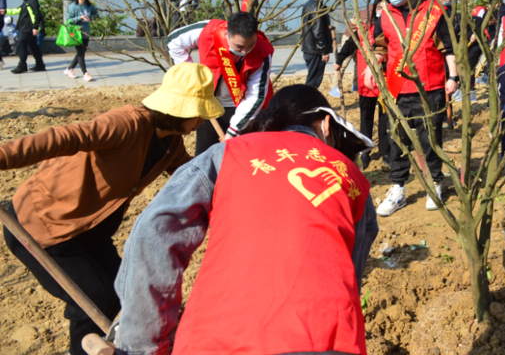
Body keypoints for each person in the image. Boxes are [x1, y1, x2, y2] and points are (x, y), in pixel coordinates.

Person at [113, 84, 377, 355]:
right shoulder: (352, 176)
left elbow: (155, 230)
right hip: (326, 341)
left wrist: (140, 345)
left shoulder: (225, 154)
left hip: (217, 339)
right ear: (327, 124)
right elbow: (350, 271)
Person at [1, 63, 218, 355]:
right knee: (93, 298)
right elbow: (64, 137)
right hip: (46, 224)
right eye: (199, 113)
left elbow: (194, 178)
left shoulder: (171, 145)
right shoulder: (126, 123)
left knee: (125, 291)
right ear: (177, 109)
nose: (203, 121)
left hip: (91, 232)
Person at [367, 0, 458, 216]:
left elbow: (447, 48)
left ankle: (435, 184)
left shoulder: (434, 10)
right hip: (397, 87)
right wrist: (371, 66)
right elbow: (380, 46)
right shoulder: (384, 12)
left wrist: (454, 77)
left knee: (431, 139)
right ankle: (397, 188)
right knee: (398, 139)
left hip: (430, 87)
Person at [167, 11, 274, 155]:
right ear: (227, 35)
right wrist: (190, 74)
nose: (245, 51)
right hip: (209, 103)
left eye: (250, 45)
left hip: (240, 107)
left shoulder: (262, 51)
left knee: (241, 156)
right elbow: (174, 42)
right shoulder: (207, 31)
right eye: (239, 47)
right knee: (205, 155)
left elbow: (255, 95)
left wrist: (233, 131)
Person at [337, 0, 391, 169]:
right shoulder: (365, 29)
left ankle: (385, 151)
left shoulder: (392, 30)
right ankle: (365, 152)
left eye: (385, 7)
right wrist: (339, 59)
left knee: (385, 119)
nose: (381, 10)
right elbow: (351, 44)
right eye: (379, 7)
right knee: (366, 118)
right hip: (365, 82)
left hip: (384, 81)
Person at [300, 0, 335, 88]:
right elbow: (318, 31)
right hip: (315, 50)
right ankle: (306, 103)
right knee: (313, 82)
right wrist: (323, 51)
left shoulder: (309, 4)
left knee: (312, 79)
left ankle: (307, 102)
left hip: (309, 49)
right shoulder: (317, 7)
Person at [8, 0, 45, 74]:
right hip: (27, 28)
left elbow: (36, 15)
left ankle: (22, 66)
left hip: (27, 28)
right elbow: (18, 10)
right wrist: (5, 11)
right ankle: (40, 65)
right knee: (33, 47)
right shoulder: (28, 1)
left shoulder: (32, 2)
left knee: (20, 45)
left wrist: (35, 27)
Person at [64, 0, 100, 82]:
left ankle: (69, 69)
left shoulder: (88, 6)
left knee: (81, 53)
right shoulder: (73, 6)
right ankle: (85, 73)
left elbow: (95, 13)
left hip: (86, 32)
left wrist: (91, 18)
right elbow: (68, 20)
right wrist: (79, 18)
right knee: (81, 54)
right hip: (76, 33)